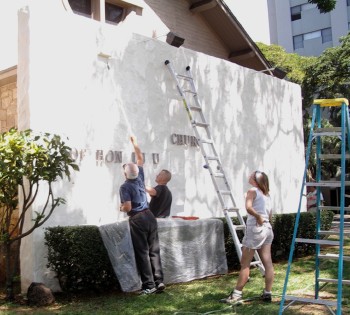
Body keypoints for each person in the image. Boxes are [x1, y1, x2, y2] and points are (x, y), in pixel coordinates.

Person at [119, 136, 165, 294]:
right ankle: (159, 282)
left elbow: (127, 207)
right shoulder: (140, 178)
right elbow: (140, 158)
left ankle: (149, 286)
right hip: (150, 216)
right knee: (154, 250)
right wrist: (134, 142)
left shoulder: (125, 187)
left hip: (138, 219)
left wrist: (121, 208)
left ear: (125, 174)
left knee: (143, 252)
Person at [220, 170, 274, 304]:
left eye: (252, 175)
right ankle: (267, 293)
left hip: (256, 229)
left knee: (245, 264)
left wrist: (257, 217)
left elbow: (248, 208)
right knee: (268, 263)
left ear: (256, 180)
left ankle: (236, 295)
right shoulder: (267, 194)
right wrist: (263, 219)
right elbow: (270, 214)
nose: (249, 175)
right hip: (267, 229)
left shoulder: (252, 191)